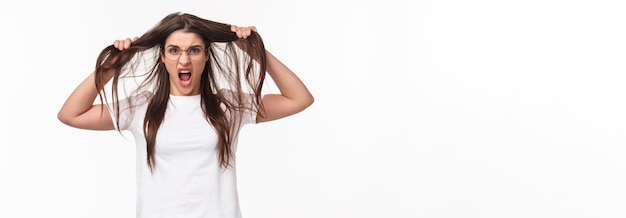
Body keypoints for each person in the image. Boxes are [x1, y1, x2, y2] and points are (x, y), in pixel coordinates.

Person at [57, 12, 313, 218]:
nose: (184, 60)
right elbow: (71, 114)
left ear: (206, 55)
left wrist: (256, 52)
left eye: (193, 50)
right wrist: (111, 67)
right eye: (174, 50)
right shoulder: (140, 107)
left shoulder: (229, 104)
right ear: (163, 56)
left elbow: (299, 99)